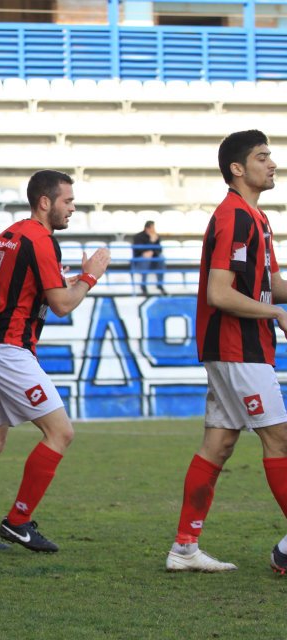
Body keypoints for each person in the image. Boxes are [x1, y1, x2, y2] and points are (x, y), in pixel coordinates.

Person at [165, 130, 287, 573]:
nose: (272, 163)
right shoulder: (233, 216)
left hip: (241, 347)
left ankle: (184, 549)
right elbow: (219, 293)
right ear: (237, 168)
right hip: (238, 347)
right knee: (280, 440)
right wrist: (274, 313)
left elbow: (271, 284)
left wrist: (276, 303)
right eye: (262, 156)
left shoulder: (256, 218)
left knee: (218, 445)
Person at [0, 170, 110, 553]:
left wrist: (69, 281)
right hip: (10, 349)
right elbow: (61, 305)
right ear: (45, 202)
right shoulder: (41, 240)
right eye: (67, 201)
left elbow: (33, 290)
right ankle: (18, 521)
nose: (73, 208)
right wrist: (90, 277)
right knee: (60, 432)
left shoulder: (9, 235)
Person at [132, 220, 166, 294]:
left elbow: (159, 249)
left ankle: (160, 284)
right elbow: (138, 250)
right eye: (152, 228)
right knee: (146, 258)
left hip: (153, 261)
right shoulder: (138, 236)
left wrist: (152, 251)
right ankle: (143, 285)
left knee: (161, 258)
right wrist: (150, 243)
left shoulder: (156, 236)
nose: (154, 229)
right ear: (147, 228)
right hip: (140, 261)